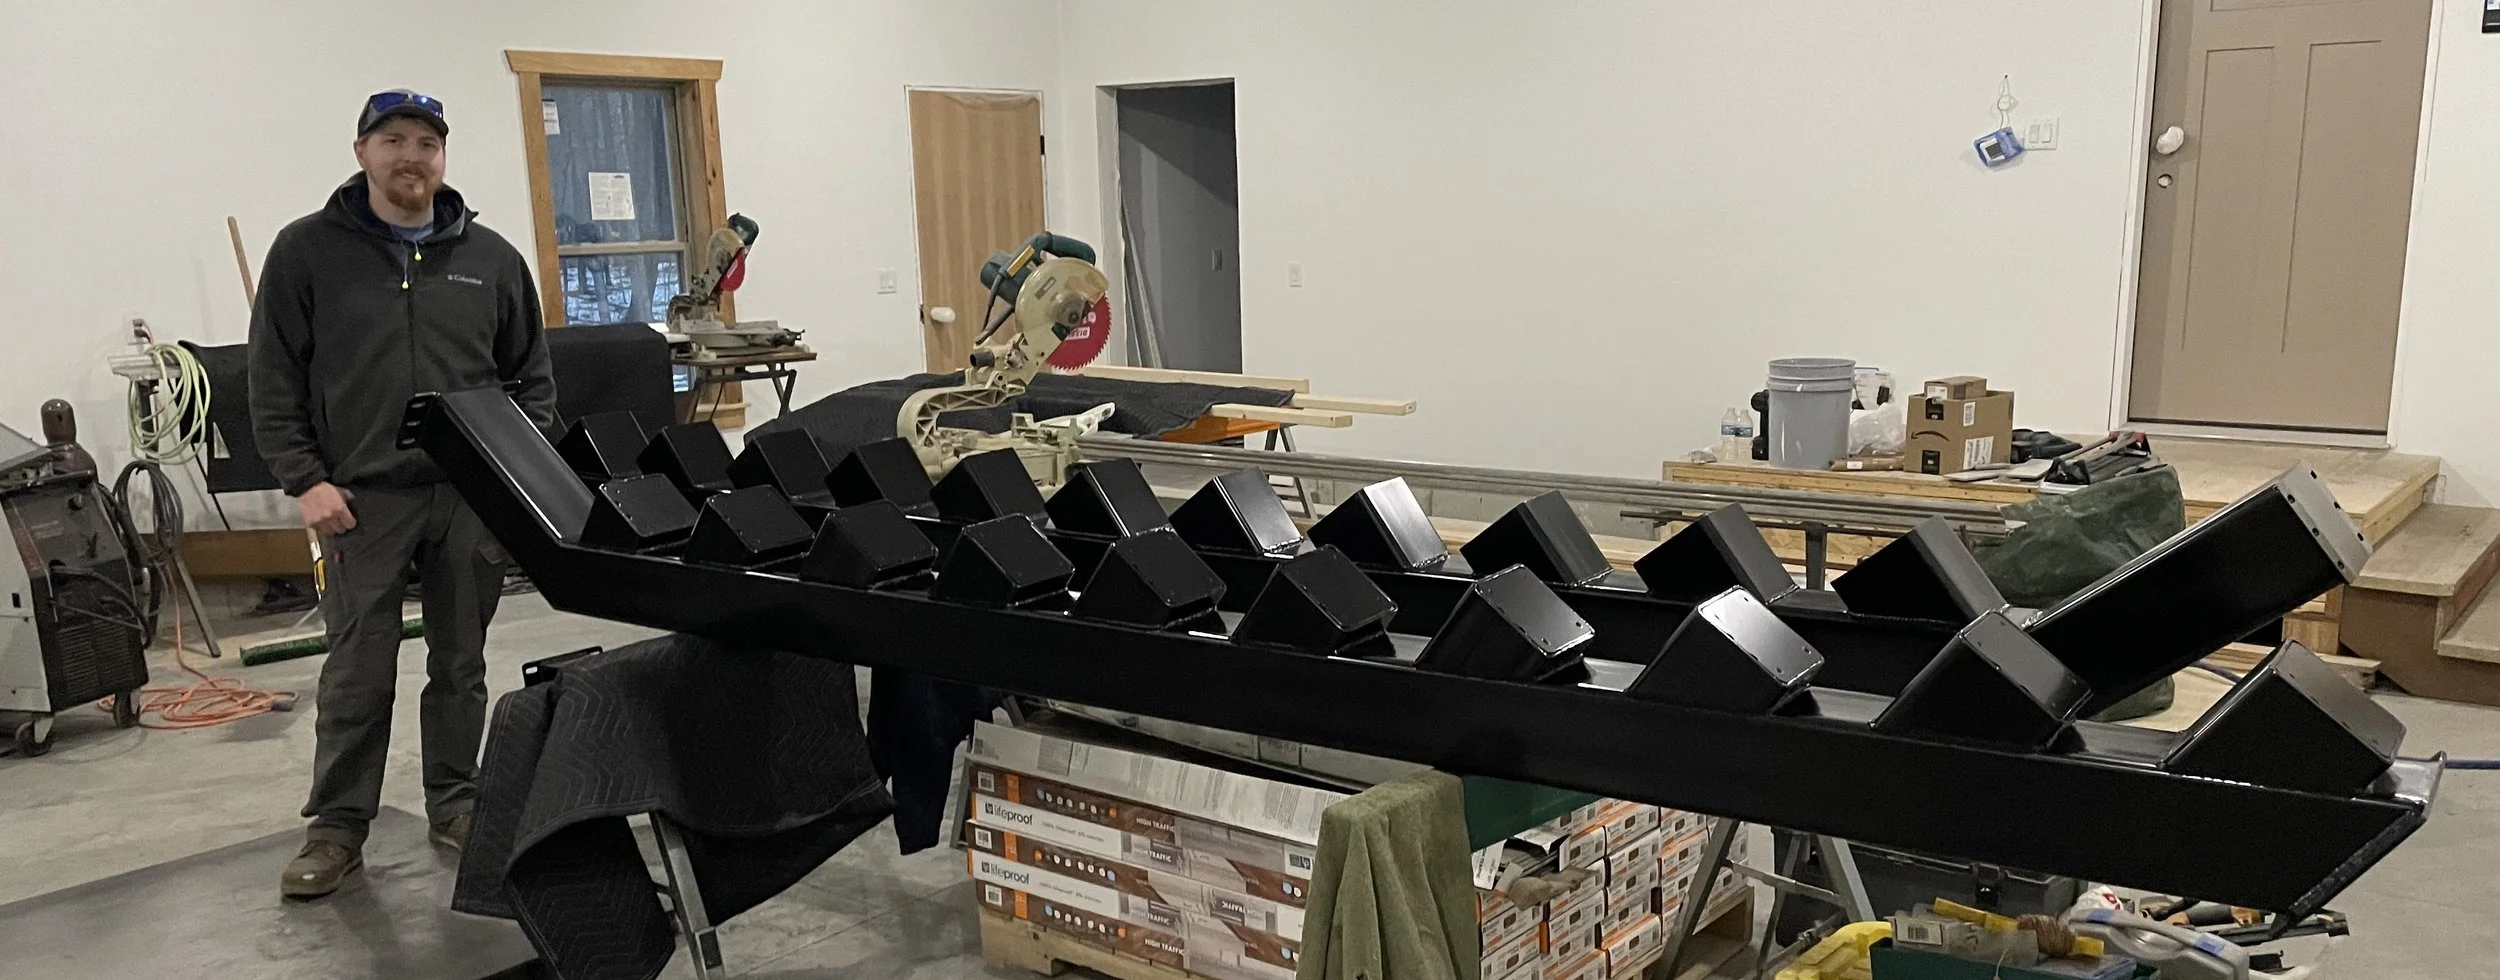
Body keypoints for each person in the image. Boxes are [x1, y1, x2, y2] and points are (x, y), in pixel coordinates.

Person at [249, 89, 557, 899]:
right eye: (393, 139)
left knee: (460, 663)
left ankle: (457, 803)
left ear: (442, 157)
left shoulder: (490, 258)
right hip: (359, 499)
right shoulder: (307, 252)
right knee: (358, 666)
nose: (410, 155)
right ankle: (338, 827)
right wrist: (305, 480)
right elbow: (274, 378)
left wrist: (515, 475)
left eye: (426, 141)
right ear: (362, 151)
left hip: (470, 497)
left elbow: (533, 380)